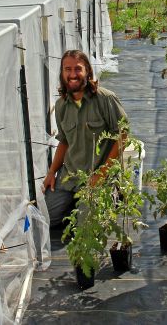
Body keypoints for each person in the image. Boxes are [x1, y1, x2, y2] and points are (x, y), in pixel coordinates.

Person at [43, 49, 128, 229]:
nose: (73, 74)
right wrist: (51, 173)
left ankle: (110, 194)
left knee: (87, 227)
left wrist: (102, 173)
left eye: (78, 69)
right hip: (70, 176)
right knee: (45, 220)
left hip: (99, 176)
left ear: (87, 71)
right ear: (62, 73)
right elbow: (64, 141)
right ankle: (76, 202)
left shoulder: (105, 99)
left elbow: (123, 135)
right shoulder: (61, 106)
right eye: (68, 69)